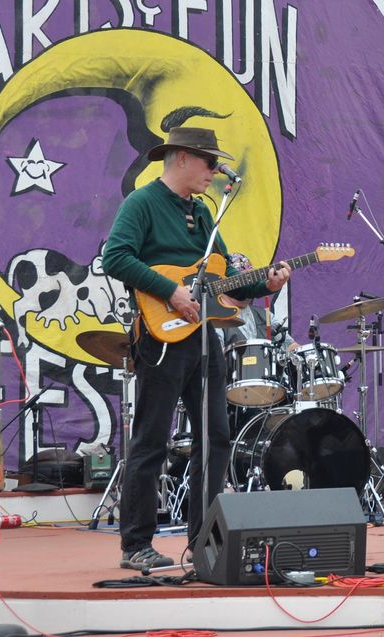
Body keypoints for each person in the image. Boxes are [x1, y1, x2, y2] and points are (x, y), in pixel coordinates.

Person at [103, 126, 291, 571]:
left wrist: (266, 281)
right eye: (209, 162)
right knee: (151, 439)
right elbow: (115, 257)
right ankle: (136, 544)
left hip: (204, 337)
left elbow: (226, 281)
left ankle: (204, 537)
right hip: (162, 338)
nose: (214, 171)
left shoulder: (203, 214)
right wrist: (170, 290)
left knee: (216, 437)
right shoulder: (142, 203)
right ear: (183, 158)